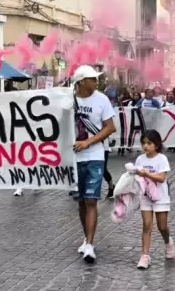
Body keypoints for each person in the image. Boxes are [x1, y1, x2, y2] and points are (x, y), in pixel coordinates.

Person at [73, 65, 116, 263]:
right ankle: (86, 237)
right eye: (92, 78)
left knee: (91, 200)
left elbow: (110, 127)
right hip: (73, 158)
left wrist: (88, 142)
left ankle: (90, 243)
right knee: (81, 200)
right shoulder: (67, 99)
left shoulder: (102, 99)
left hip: (95, 155)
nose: (96, 81)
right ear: (82, 82)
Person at [135, 130, 174, 269]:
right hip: (145, 197)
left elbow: (162, 178)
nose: (145, 146)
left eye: (149, 143)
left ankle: (168, 241)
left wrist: (147, 173)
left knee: (162, 226)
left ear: (156, 145)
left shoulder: (162, 159)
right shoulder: (140, 159)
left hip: (160, 197)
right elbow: (137, 176)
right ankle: (145, 256)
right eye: (143, 143)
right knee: (146, 225)